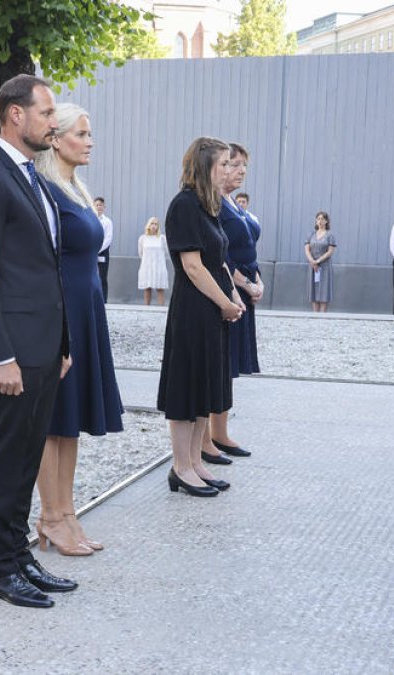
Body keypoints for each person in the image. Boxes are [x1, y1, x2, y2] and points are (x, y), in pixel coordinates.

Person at [0, 73, 76, 609]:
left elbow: (45, 268)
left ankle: (19, 552)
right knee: (6, 457)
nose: (55, 122)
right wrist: (1, 355)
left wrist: (63, 344)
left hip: (43, 346)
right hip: (11, 352)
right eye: (48, 113)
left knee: (28, 455)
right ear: (15, 115)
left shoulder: (30, 176)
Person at [33, 103, 124, 556]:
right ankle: (49, 517)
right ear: (56, 138)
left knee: (69, 422)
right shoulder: (46, 188)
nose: (90, 141)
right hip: (62, 310)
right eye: (82, 134)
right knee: (52, 422)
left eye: (90, 134)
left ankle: (66, 513)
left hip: (86, 308)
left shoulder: (73, 188)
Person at [157, 136, 244, 497]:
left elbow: (217, 260)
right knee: (186, 388)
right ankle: (180, 467)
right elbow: (192, 266)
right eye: (222, 163)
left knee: (204, 389)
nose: (227, 169)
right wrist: (224, 301)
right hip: (193, 310)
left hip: (212, 309)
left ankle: (195, 462)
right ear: (204, 165)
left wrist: (233, 294)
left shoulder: (208, 206)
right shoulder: (184, 205)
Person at [203, 142, 260, 465]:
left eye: (243, 166)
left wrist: (258, 279)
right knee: (220, 364)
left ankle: (220, 432)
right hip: (228, 289)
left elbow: (248, 245)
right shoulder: (214, 204)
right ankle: (213, 434)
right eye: (233, 164)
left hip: (245, 287)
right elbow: (221, 255)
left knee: (229, 365)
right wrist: (245, 285)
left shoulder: (233, 204)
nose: (239, 171)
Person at [304, 211, 336, 313]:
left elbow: (330, 252)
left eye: (322, 219)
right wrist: (312, 261)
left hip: (324, 266)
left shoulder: (329, 235)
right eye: (318, 218)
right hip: (313, 266)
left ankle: (323, 315)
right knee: (313, 289)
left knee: (323, 289)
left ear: (326, 221)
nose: (320, 221)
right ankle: (314, 314)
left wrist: (318, 260)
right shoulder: (311, 234)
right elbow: (307, 249)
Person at [137, 217, 169, 305]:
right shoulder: (143, 238)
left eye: (156, 224)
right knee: (147, 288)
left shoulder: (162, 238)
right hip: (147, 267)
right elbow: (141, 253)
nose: (154, 226)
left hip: (159, 266)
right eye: (152, 224)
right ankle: (146, 309)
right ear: (148, 225)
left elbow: (166, 252)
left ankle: (161, 310)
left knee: (160, 288)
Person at [94, 196, 113, 302]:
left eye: (101, 205)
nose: (99, 207)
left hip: (102, 252)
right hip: (90, 252)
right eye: (97, 205)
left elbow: (108, 239)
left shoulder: (108, 222)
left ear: (104, 207)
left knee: (102, 277)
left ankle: (103, 300)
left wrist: (97, 250)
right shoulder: (91, 218)